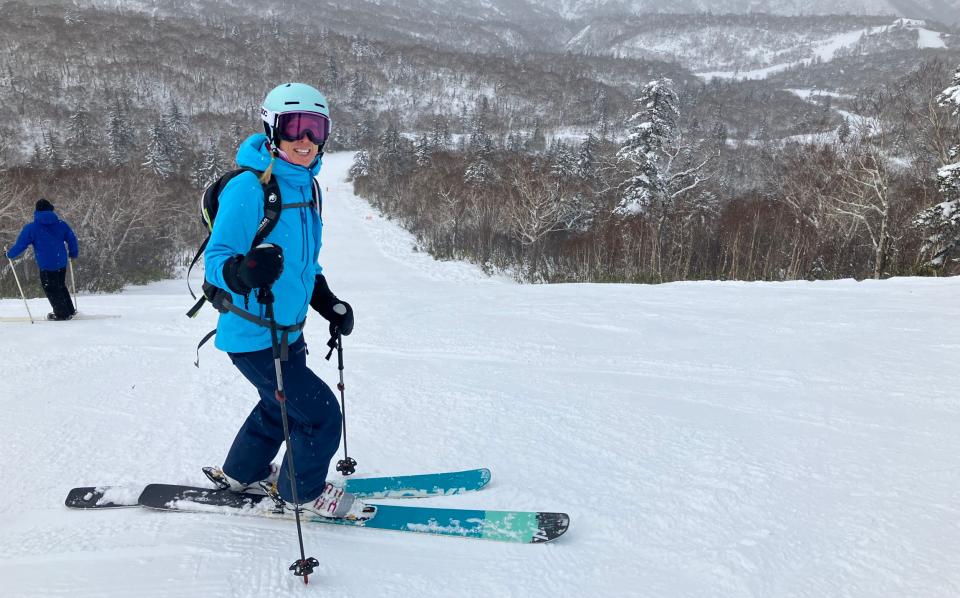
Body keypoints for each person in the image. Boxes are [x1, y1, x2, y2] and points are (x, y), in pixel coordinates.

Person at [203, 83, 358, 519]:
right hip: (252, 332)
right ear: (272, 129)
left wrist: (327, 302)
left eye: (315, 128)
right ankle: (300, 494)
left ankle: (242, 472)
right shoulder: (251, 189)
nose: (305, 140)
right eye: (294, 127)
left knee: (280, 406)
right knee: (321, 416)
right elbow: (217, 260)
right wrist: (242, 271)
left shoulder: (309, 188)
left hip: (289, 330)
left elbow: (306, 263)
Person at [6, 198, 79, 321]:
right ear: (51, 209)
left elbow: (21, 245)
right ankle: (69, 310)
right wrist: (73, 253)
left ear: (37, 211)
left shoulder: (31, 228)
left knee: (51, 288)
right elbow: (71, 239)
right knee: (60, 286)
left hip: (46, 264)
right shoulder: (61, 224)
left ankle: (62, 314)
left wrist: (9, 255)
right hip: (61, 261)